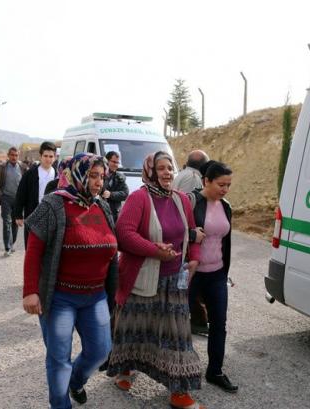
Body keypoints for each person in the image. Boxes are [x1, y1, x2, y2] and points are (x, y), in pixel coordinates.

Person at [108, 151, 206, 409]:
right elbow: (124, 234)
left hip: (174, 281)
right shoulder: (139, 198)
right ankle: (126, 369)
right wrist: (154, 250)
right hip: (141, 278)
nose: (167, 172)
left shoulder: (181, 199)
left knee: (178, 336)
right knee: (135, 328)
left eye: (170, 167)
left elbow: (193, 232)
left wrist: (195, 258)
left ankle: (179, 393)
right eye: (161, 168)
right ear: (150, 172)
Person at [22, 153, 118, 409]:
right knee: (59, 359)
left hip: (96, 296)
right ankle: (60, 403)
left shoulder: (102, 206)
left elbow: (112, 247)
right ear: (77, 174)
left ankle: (76, 381)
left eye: (102, 176)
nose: (99, 182)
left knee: (101, 350)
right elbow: (33, 251)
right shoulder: (54, 204)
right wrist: (30, 290)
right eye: (93, 176)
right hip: (60, 298)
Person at [188, 160, 238, 393]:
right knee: (180, 324)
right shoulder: (190, 202)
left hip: (217, 274)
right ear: (206, 181)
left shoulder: (225, 206)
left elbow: (224, 241)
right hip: (191, 274)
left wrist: (225, 271)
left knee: (219, 323)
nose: (225, 189)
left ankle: (215, 371)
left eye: (228, 185)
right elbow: (176, 231)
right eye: (221, 184)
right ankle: (179, 371)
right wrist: (191, 235)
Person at [174, 150, 211, 336]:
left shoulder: (181, 175)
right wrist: (192, 233)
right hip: (187, 235)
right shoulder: (193, 178)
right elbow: (187, 208)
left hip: (183, 234)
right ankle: (197, 319)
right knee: (191, 278)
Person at [14, 141, 57, 247]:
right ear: (40, 156)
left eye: (51, 156)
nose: (48, 159)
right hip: (33, 214)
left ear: (55, 157)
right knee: (32, 246)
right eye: (45, 156)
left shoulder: (58, 175)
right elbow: (21, 194)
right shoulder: (30, 174)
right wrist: (18, 214)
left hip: (53, 216)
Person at [0, 147, 28, 256]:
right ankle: (7, 247)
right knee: (6, 222)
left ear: (18, 156)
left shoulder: (23, 167)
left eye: (16, 155)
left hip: (18, 200)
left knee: (15, 223)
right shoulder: (1, 167)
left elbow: (27, 183)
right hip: (6, 198)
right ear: (8, 155)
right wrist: (1, 195)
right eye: (12, 155)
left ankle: (12, 243)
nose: (14, 157)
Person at [102, 151, 129, 222]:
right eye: (114, 162)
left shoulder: (119, 178)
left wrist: (111, 194)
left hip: (114, 215)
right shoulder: (99, 175)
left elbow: (125, 194)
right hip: (100, 213)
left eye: (117, 163)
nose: (116, 165)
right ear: (106, 161)